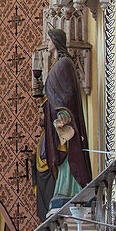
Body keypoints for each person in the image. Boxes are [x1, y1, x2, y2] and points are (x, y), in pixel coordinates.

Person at [39, 28, 91, 209]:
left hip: (64, 120)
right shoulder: (56, 64)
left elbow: (68, 93)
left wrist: (63, 112)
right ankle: (64, 189)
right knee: (60, 161)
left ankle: (73, 189)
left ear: (56, 41)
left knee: (70, 156)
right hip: (56, 120)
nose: (47, 43)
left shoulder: (64, 64)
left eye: (49, 40)